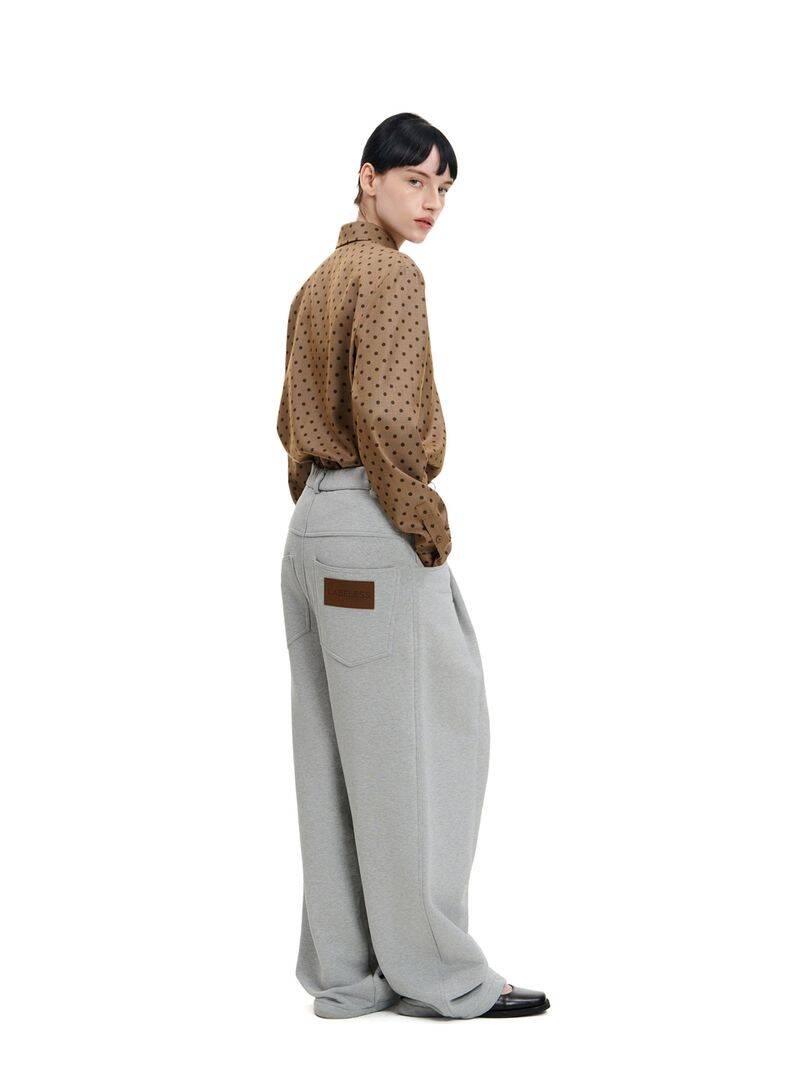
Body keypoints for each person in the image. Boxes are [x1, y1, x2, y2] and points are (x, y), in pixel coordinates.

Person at [276, 112, 550, 1020]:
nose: (431, 201)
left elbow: (288, 423)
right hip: (371, 519)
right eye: (414, 180)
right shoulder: (391, 275)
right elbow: (389, 420)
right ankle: (441, 974)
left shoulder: (316, 282)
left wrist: (327, 512)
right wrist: (423, 525)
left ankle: (350, 970)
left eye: (444, 187)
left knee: (332, 755)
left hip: (312, 527)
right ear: (368, 177)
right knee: (423, 748)